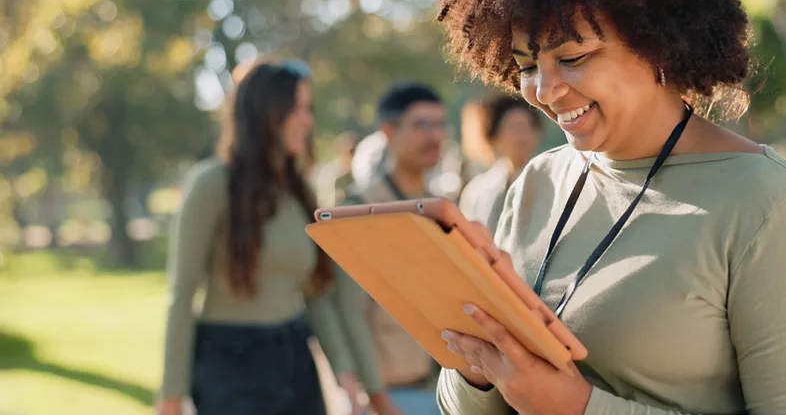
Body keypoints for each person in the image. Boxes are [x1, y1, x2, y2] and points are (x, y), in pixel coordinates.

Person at [433, 0, 786, 414]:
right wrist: (476, 367)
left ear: (658, 39)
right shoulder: (539, 183)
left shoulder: (764, 202)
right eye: (525, 65)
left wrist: (579, 407)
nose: (543, 89)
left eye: (574, 56)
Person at [155, 59, 376, 415]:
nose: (309, 120)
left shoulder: (298, 190)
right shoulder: (211, 184)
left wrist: (344, 370)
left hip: (295, 357)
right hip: (230, 364)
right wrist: (170, 397)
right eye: (298, 109)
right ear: (265, 113)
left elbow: (314, 292)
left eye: (310, 109)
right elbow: (181, 295)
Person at [333, 82, 450, 415]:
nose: (434, 136)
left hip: (444, 388)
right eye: (422, 125)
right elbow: (350, 310)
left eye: (440, 124)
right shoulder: (361, 208)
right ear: (388, 131)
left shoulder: (443, 207)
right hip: (389, 395)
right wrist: (375, 396)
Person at [459, 94, 543, 232]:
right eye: (514, 128)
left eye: (529, 126)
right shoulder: (477, 190)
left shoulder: (551, 180)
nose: (523, 136)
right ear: (494, 135)